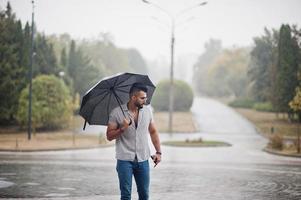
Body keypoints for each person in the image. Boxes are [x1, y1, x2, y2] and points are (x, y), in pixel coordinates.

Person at [106, 83, 162, 200]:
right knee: (126, 195)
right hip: (124, 160)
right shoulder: (116, 113)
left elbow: (153, 132)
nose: (145, 100)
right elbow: (109, 136)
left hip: (143, 160)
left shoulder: (147, 111)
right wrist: (122, 128)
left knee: (144, 195)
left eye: (146, 97)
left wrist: (158, 152)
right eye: (142, 98)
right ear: (133, 97)